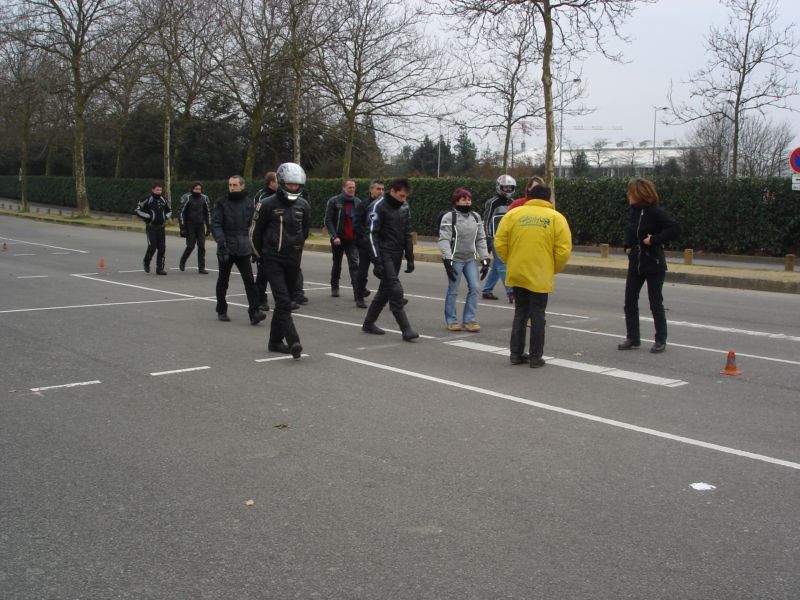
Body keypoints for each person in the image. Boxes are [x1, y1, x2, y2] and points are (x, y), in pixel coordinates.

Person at [494, 185, 572, 368]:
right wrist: (552, 268)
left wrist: (511, 260)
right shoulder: (556, 218)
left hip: (517, 270)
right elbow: (563, 249)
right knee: (538, 315)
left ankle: (516, 354)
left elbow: (500, 242)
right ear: (548, 199)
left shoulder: (513, 215)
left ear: (529, 197)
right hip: (540, 273)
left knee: (520, 312)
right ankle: (536, 357)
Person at [250, 162, 310, 359]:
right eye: (290, 184)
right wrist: (260, 256)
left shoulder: (303, 205)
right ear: (282, 182)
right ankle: (294, 341)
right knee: (284, 302)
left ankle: (275, 342)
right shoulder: (266, 204)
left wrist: (297, 249)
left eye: (296, 184)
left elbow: (305, 232)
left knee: (286, 301)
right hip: (272, 258)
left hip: (293, 259)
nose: (293, 187)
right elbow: (254, 233)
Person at [618, 177, 681, 354]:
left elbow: (675, 228)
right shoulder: (634, 212)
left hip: (654, 262)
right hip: (636, 263)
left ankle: (660, 340)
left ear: (639, 194)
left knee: (655, 302)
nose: (628, 195)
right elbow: (631, 231)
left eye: (630, 192)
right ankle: (633, 338)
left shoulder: (655, 212)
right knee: (630, 301)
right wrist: (627, 246)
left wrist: (654, 239)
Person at [361, 177, 418, 341]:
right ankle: (406, 329)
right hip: (383, 253)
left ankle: (368, 323)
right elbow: (371, 235)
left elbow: (407, 232)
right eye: (401, 195)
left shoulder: (404, 207)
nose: (403, 199)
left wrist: (410, 257)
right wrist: (377, 261)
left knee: (385, 291)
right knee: (395, 290)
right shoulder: (377, 206)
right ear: (392, 191)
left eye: (405, 196)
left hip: (396, 254)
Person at [211, 175, 266, 325]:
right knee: (223, 281)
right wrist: (221, 243)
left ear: (242, 186)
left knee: (249, 282)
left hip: (243, 248)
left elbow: (252, 227)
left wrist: (255, 249)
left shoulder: (248, 203)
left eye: (235, 185)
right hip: (226, 248)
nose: (232, 188)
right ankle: (221, 309)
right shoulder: (221, 202)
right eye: (230, 185)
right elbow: (216, 224)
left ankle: (254, 312)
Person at [438, 187, 490, 332]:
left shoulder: (476, 217)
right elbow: (444, 239)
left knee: (475, 287)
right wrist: (447, 260)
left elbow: (481, 238)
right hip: (455, 259)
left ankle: (469, 320)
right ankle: (451, 320)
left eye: (469, 199)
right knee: (453, 289)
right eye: (463, 199)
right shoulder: (449, 217)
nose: (467, 202)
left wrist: (485, 259)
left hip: (470, 259)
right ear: (456, 201)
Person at [325, 180, 362, 299]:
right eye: (349, 187)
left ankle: (357, 291)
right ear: (344, 188)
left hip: (352, 239)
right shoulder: (334, 201)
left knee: (354, 264)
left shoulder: (358, 202)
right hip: (338, 239)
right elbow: (328, 220)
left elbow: (361, 220)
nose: (352, 189)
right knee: (337, 264)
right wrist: (334, 236)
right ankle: (334, 287)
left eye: (353, 187)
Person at [482, 174, 516, 302]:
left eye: (510, 187)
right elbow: (486, 221)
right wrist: (488, 238)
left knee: (497, 266)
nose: (508, 189)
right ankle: (511, 291)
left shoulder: (513, 203)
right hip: (495, 237)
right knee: (503, 264)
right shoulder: (492, 203)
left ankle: (487, 290)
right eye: (505, 187)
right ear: (499, 187)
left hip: (508, 238)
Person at [352, 179, 383, 308]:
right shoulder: (364, 205)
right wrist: (365, 238)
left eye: (382, 189)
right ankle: (359, 297)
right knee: (363, 272)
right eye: (378, 189)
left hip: (379, 245)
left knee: (384, 270)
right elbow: (356, 223)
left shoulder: (383, 205)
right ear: (371, 190)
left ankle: (395, 295)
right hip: (365, 244)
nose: (381, 191)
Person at [252, 171, 279, 311]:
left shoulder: (280, 196)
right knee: (263, 272)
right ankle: (261, 299)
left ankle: (288, 298)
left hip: (277, 239)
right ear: (271, 182)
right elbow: (256, 220)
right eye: (277, 181)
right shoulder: (262, 196)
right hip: (264, 240)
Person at [134, 183, 172, 275]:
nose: (159, 192)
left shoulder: (163, 199)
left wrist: (166, 217)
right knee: (152, 247)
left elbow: (170, 211)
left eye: (160, 190)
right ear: (153, 190)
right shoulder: (147, 198)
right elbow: (137, 210)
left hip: (161, 227)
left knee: (162, 248)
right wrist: (148, 216)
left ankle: (160, 268)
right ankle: (146, 262)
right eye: (157, 190)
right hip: (151, 227)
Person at [177, 181, 210, 274]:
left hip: (200, 225)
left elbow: (208, 213)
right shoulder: (187, 197)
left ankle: (201, 267)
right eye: (196, 189)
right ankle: (183, 260)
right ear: (192, 189)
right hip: (190, 225)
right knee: (190, 246)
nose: (198, 191)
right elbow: (181, 212)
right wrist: (182, 227)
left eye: (199, 189)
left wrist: (209, 226)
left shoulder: (204, 198)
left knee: (202, 246)